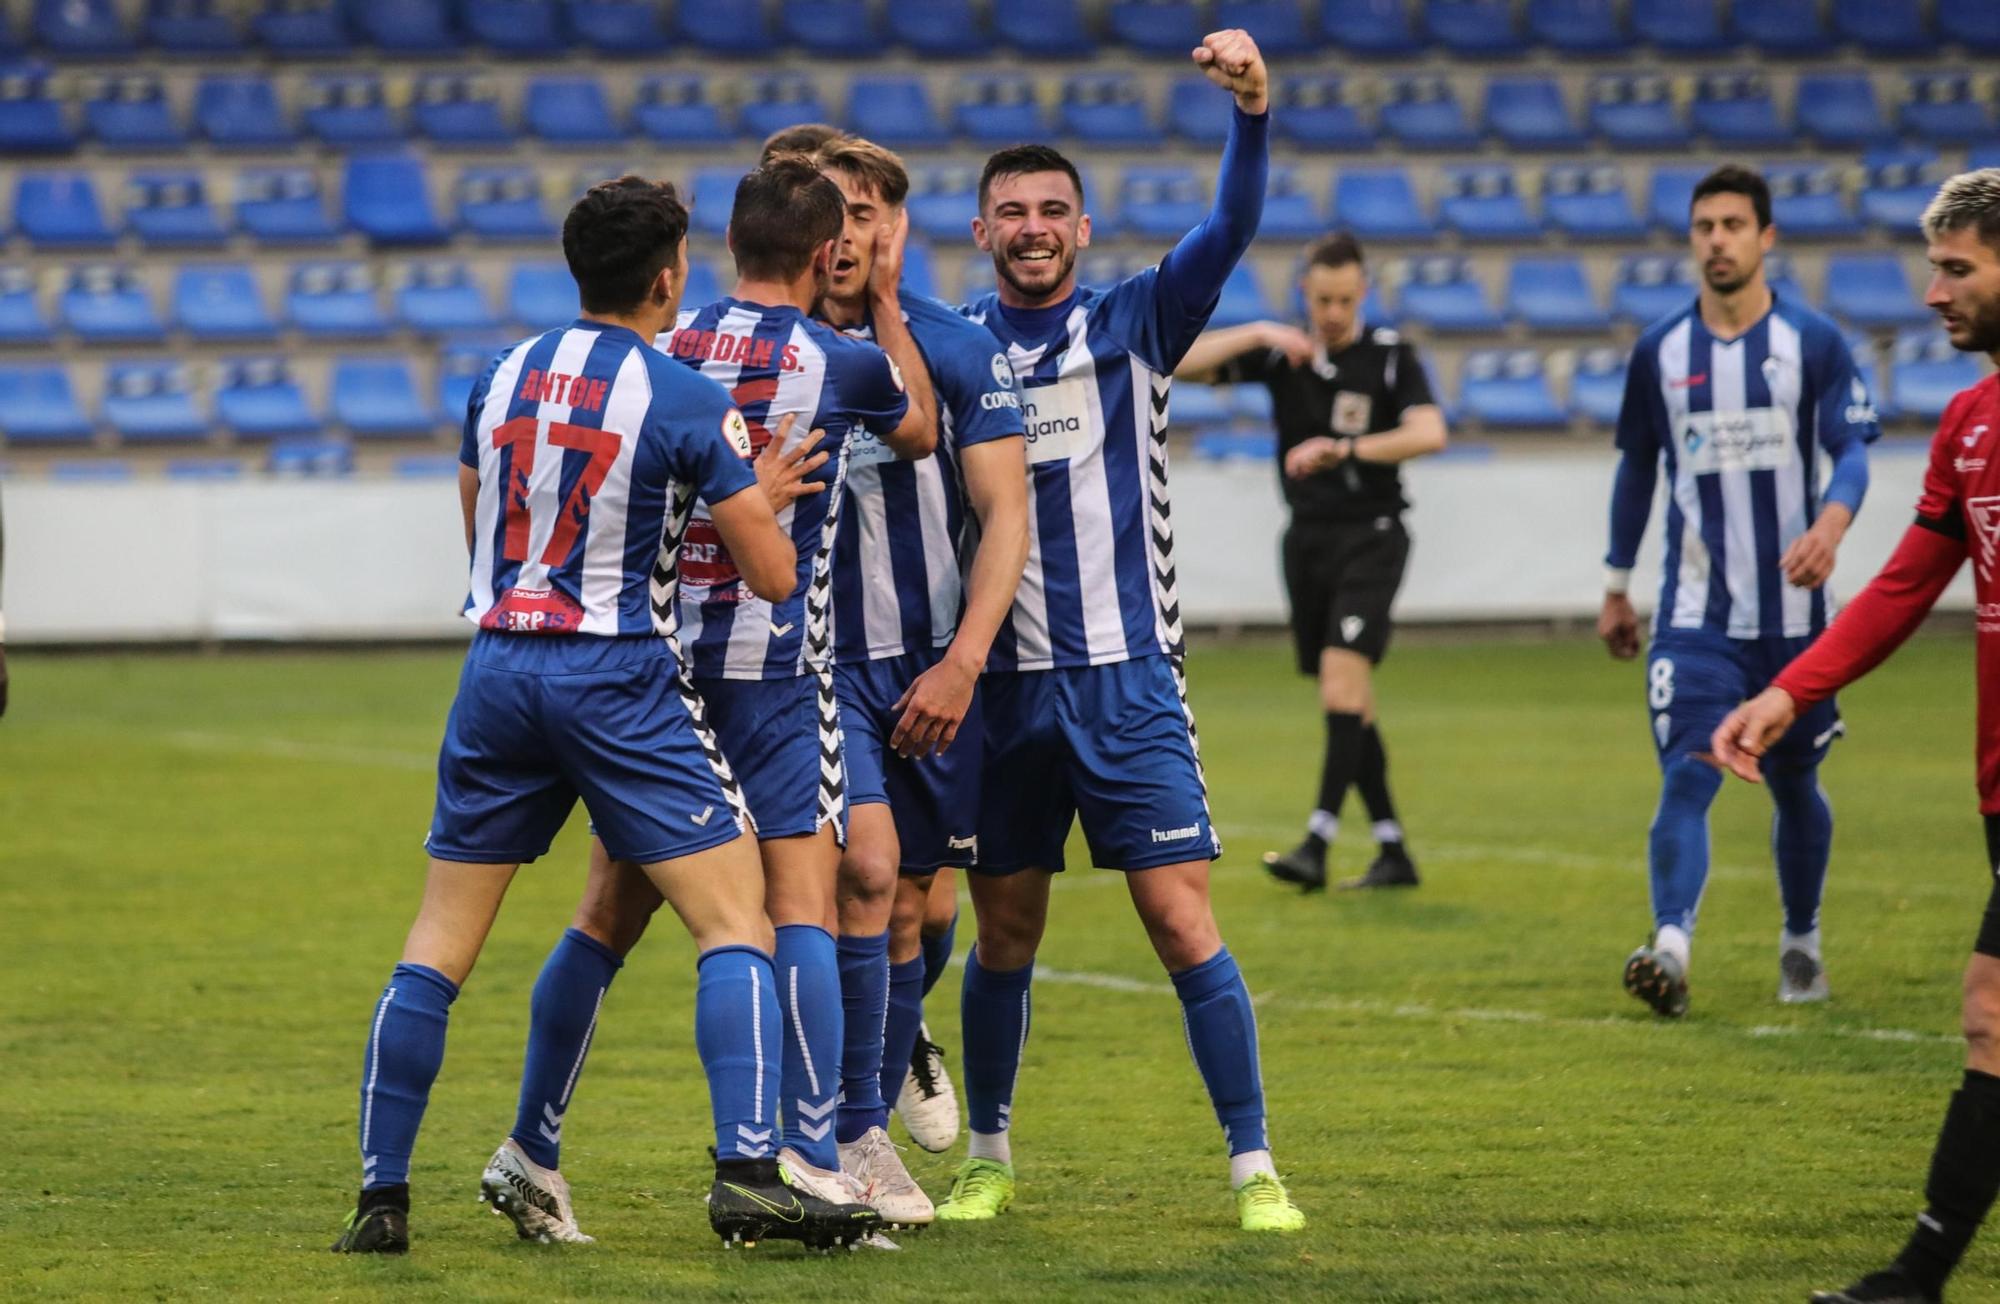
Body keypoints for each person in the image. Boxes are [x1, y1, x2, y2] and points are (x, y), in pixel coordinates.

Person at [331, 176, 878, 1255]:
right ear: (668, 274)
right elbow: (771, 576)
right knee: (737, 920)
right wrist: (754, 497)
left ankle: (380, 1196)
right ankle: (747, 1172)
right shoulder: (679, 395)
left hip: (496, 665)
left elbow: (480, 517)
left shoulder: (498, 373)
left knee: (437, 942)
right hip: (615, 671)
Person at [477, 157, 925, 1240]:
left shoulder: (662, 350)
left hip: (656, 677)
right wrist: (885, 293)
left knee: (606, 914)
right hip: (773, 673)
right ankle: (810, 1158)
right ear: (828, 254)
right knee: (795, 907)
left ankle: (532, 1142)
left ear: (718, 252)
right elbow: (913, 426)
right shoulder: (842, 360)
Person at [939, 28, 1306, 1233]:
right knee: (1006, 927)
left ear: (1081, 231)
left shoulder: (1137, 321)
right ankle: (985, 1153)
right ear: (982, 231)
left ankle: (1254, 1167)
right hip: (998, 689)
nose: (1034, 225)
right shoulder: (951, 350)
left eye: (1053, 209)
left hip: (1126, 678)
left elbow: (1230, 233)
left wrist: (1250, 114)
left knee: (1177, 915)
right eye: (1011, 211)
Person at [1713, 169, 2000, 1304]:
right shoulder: (1970, 428)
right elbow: (1897, 588)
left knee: (1987, 1008)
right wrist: (1787, 689)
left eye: (1956, 268)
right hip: (1995, 787)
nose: (1932, 292)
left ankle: (1915, 1276)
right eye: (1934, 267)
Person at [1599, 164, 1880, 1018]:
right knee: (1689, 773)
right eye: (1703, 226)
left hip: (1796, 623)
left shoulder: (1815, 343)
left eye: (1732, 224)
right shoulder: (1661, 352)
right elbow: (1636, 471)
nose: (1717, 239)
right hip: (1697, 620)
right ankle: (1672, 949)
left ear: (1767, 237)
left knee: (1794, 784)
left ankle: (1802, 944)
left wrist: (1831, 525)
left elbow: (1854, 449)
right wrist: (1616, 585)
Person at [810, 135, 1029, 1226]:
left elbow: (1005, 517)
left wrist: (961, 659)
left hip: (927, 663)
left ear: (895, 227)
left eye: (866, 215)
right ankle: (845, 1130)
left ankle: (876, 1099)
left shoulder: (955, 346)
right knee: (864, 875)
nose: (849, 234)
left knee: (910, 905)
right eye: (833, 213)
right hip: (809, 663)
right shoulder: (773, 341)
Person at [1174, 231, 1446, 892]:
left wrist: (1345, 450)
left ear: (1364, 293)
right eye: (1322, 298)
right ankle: (1392, 849)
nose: (1332, 312)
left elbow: (1430, 432)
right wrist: (1260, 331)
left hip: (1373, 535)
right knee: (1352, 701)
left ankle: (1318, 841)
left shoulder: (1388, 357)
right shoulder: (1284, 357)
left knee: (1338, 684)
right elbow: (1179, 361)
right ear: (1304, 291)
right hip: (1307, 540)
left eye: (1345, 300)